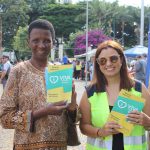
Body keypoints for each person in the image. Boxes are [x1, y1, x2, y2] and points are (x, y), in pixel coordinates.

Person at [0, 19, 77, 150]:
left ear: (53, 43)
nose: (41, 45)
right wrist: (43, 112)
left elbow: (72, 118)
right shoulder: (18, 71)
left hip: (58, 146)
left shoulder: (59, 72)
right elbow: (4, 117)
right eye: (36, 40)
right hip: (26, 146)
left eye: (47, 40)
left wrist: (72, 105)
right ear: (28, 42)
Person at [79, 40, 150, 150]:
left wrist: (147, 122)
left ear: (121, 59)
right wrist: (100, 132)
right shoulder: (90, 92)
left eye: (113, 59)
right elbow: (83, 126)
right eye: (102, 61)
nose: (108, 64)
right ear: (97, 64)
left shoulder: (139, 89)